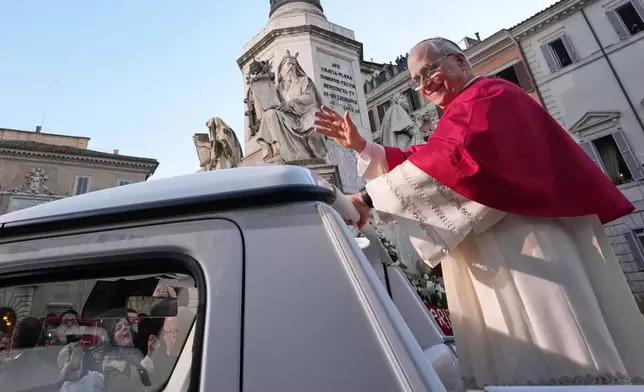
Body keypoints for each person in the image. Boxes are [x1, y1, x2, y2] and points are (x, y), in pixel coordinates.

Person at [314, 37, 644, 388]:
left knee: (552, 357)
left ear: (460, 61)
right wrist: (365, 147)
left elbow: (456, 160)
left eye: (431, 70)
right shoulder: (463, 110)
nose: (425, 85)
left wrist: (366, 198)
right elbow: (433, 156)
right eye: (417, 81)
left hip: (525, 248)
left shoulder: (489, 95)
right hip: (505, 251)